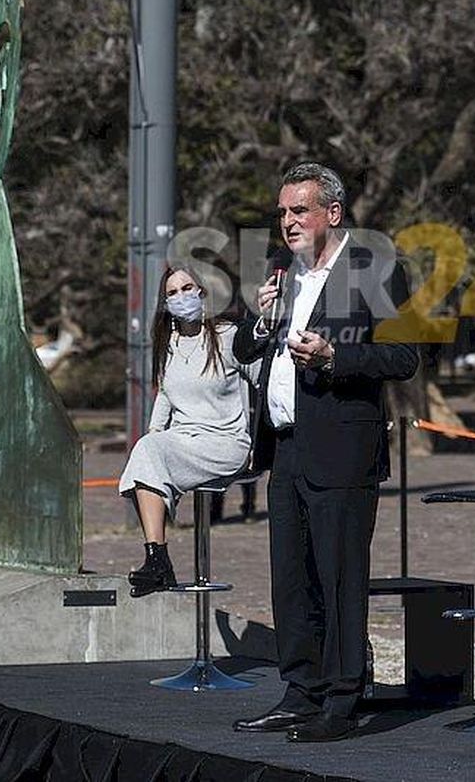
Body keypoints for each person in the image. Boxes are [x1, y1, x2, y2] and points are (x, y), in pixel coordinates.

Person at [231, 162, 417, 744]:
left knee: (338, 576)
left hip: (343, 448)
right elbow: (241, 345)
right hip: (285, 449)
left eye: (299, 210)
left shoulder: (375, 271)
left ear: (332, 214)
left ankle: (342, 697)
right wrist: (261, 323)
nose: (288, 221)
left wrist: (336, 358)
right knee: (291, 578)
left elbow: (405, 356)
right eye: (283, 211)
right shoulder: (281, 273)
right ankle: (299, 691)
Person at [119, 265, 253, 596]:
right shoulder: (170, 344)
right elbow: (165, 394)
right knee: (147, 450)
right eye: (172, 293)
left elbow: (265, 380)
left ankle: (159, 561)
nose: (181, 297)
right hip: (183, 439)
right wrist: (153, 433)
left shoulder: (228, 337)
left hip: (224, 442)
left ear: (203, 292)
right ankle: (157, 558)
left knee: (150, 452)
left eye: (187, 288)